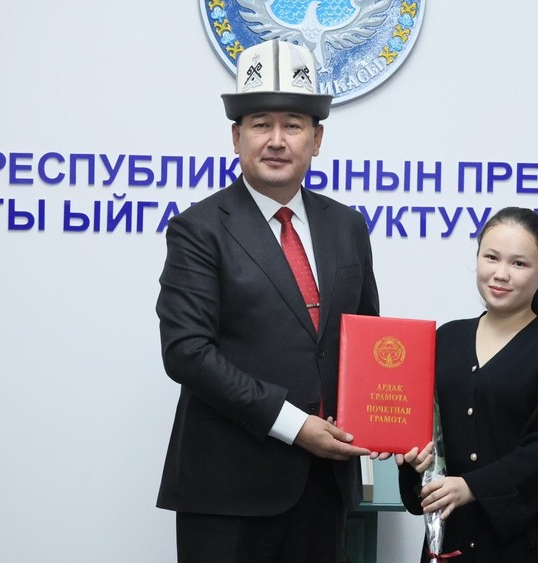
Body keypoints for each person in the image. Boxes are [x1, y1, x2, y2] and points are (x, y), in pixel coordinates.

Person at [155, 40, 380, 563]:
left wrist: (390, 421)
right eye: (261, 124)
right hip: (227, 491)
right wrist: (294, 425)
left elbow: (367, 340)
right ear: (237, 137)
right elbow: (186, 351)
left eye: (293, 125)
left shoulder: (346, 225)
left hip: (325, 486)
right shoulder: (199, 229)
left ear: (316, 139)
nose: (277, 140)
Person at [397, 207, 538, 562]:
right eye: (491, 257)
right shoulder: (446, 339)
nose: (501, 274)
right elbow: (427, 433)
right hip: (451, 536)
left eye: (519, 263)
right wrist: (412, 459)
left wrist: (472, 487)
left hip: (527, 544)